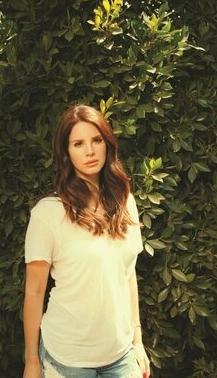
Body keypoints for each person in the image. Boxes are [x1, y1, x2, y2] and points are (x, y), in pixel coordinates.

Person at [23, 104, 151, 378]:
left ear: (108, 144)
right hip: (67, 359)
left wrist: (138, 341)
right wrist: (31, 361)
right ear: (66, 152)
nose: (90, 151)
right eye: (78, 144)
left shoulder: (125, 202)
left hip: (121, 356)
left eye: (96, 140)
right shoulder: (48, 213)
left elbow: (128, 274)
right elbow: (34, 291)